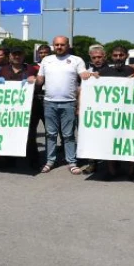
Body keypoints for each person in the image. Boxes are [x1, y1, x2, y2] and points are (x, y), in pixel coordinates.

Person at [36, 36, 92, 175]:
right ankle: (50, 161)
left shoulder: (76, 60)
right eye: (56, 44)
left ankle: (71, 162)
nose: (59, 47)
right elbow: (40, 80)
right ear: (53, 46)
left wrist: (89, 75)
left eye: (62, 44)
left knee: (68, 135)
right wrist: (29, 78)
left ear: (67, 45)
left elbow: (84, 75)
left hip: (69, 103)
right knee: (50, 134)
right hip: (49, 102)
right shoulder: (46, 60)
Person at [90, 46, 134, 181]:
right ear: (111, 57)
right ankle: (111, 171)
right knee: (111, 140)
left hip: (130, 113)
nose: (118, 58)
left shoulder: (133, 70)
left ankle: (132, 172)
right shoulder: (104, 72)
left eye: (121, 55)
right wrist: (90, 76)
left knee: (131, 141)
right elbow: (93, 87)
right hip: (112, 114)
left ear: (126, 56)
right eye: (115, 55)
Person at [0, 47, 39, 167]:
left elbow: (39, 86)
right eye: (14, 55)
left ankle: (33, 161)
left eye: (19, 54)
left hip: (28, 110)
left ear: (23, 56)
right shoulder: (3, 70)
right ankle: (10, 160)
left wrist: (34, 81)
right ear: (10, 56)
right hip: (8, 110)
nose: (17, 57)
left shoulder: (31, 69)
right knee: (9, 134)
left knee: (30, 136)